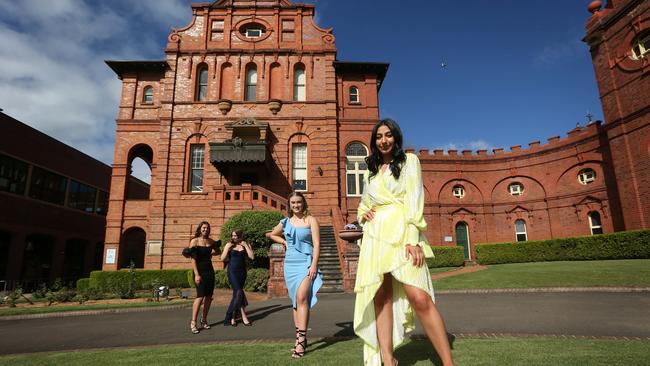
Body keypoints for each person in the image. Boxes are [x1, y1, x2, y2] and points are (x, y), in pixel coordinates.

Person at [354, 119, 455, 366]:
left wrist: (413, 240)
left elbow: (414, 200)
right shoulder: (371, 173)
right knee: (381, 297)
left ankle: (448, 363)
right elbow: (363, 205)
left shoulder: (410, 162)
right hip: (376, 238)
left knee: (419, 297)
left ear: (396, 138)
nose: (383, 140)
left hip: (402, 236)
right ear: (374, 141)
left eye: (388, 135)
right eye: (379, 137)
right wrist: (361, 216)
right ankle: (388, 359)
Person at [268, 191, 323, 358]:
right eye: (293, 203)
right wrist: (284, 241)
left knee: (301, 298)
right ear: (289, 205)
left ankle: (301, 340)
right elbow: (271, 234)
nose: (296, 205)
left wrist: (314, 264)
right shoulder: (285, 222)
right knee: (295, 302)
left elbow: (317, 243)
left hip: (306, 263)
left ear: (303, 203)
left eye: (299, 202)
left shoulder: (311, 220)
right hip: (290, 264)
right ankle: (300, 337)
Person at [188, 221, 219, 334]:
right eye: (203, 228)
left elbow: (218, 251)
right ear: (200, 229)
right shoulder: (194, 241)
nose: (205, 229)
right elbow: (193, 259)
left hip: (209, 271)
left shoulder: (211, 241)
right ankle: (193, 322)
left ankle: (204, 319)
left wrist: (212, 254)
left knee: (209, 297)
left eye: (207, 228)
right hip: (199, 271)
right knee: (200, 296)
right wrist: (196, 274)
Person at [221, 229, 254, 326]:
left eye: (235, 236)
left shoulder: (246, 244)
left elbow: (252, 257)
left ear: (240, 236)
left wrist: (246, 246)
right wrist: (227, 248)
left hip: (242, 272)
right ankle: (239, 316)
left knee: (237, 294)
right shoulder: (229, 245)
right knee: (239, 292)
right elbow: (222, 258)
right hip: (232, 271)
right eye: (232, 236)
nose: (233, 237)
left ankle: (233, 317)